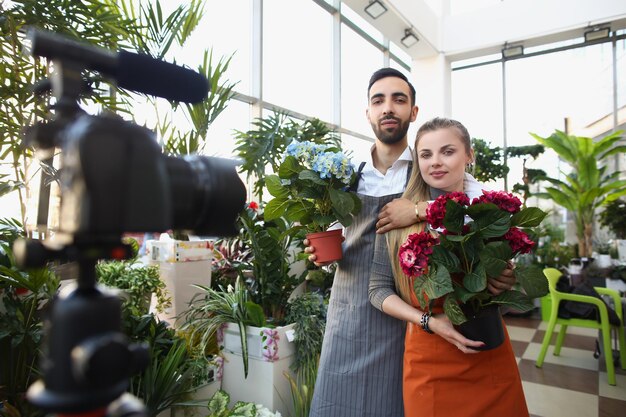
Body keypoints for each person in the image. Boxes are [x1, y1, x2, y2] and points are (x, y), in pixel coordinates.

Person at [306, 69, 516, 417]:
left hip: (410, 316)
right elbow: (336, 236)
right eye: (379, 100)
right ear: (368, 112)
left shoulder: (428, 170)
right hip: (351, 312)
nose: (388, 108)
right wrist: (322, 254)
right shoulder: (346, 174)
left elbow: (477, 212)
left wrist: (417, 209)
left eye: (399, 99)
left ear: (413, 112)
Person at [369, 117, 529, 417]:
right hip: (429, 359)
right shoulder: (396, 215)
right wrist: (428, 322)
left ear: (468, 155)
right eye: (426, 155)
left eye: (448, 151)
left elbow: (504, 291)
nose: (436, 162)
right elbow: (377, 291)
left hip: (488, 356)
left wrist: (505, 280)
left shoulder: (490, 214)